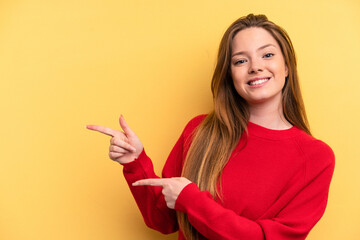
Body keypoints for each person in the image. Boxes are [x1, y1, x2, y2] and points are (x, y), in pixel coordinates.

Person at [86, 14, 335, 240]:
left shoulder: (316, 158)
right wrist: (135, 162)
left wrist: (192, 200)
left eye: (267, 55)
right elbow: (162, 220)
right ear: (230, 75)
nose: (255, 67)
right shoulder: (200, 131)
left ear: (287, 66)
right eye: (240, 61)